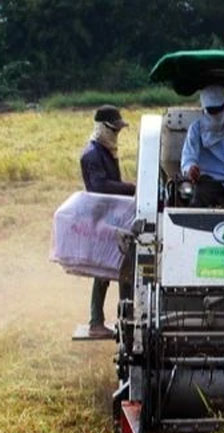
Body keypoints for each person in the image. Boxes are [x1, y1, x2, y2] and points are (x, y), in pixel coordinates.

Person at [80, 105, 135, 339]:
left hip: (111, 215)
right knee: (110, 269)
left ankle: (122, 318)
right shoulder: (92, 155)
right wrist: (130, 188)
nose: (117, 134)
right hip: (102, 217)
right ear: (103, 128)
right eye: (114, 130)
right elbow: (99, 186)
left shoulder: (105, 151)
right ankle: (101, 322)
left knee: (119, 266)